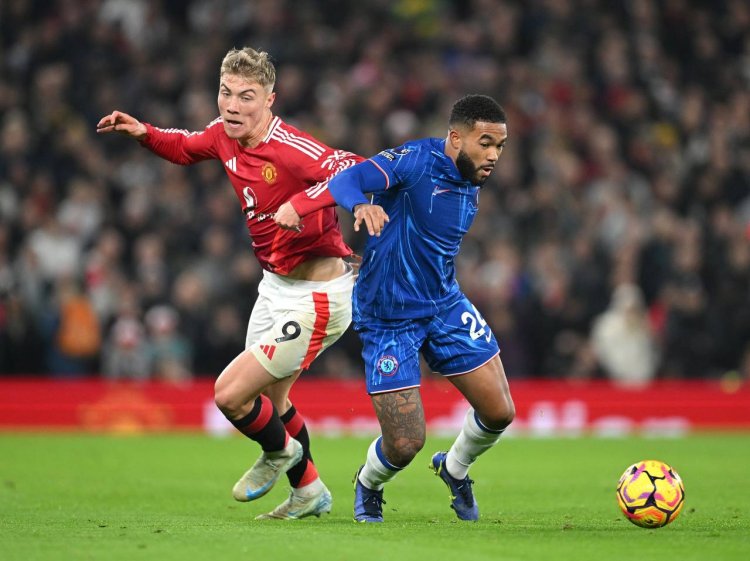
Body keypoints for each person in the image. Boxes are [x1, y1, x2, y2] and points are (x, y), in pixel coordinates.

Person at [97, 47, 362, 520]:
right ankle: (310, 492)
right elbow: (185, 146)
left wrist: (313, 205)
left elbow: (350, 168)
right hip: (275, 287)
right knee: (271, 400)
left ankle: (282, 454)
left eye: (247, 96)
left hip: (319, 297)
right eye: (226, 93)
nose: (233, 105)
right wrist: (144, 133)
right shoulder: (223, 136)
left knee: (230, 395)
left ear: (270, 101)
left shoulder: (291, 148)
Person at [275, 94, 515, 522]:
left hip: (443, 303)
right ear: (456, 138)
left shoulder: (471, 176)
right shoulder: (415, 161)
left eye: (500, 145)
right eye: (486, 143)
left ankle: (455, 468)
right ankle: (368, 483)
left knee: (500, 411)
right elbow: (347, 180)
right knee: (406, 443)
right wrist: (362, 204)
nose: (494, 155)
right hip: (388, 315)